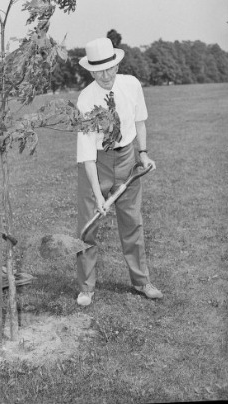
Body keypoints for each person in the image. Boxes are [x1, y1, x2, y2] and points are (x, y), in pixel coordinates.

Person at [74, 37, 162, 307]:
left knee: (132, 221)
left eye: (109, 67)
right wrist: (97, 194)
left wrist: (143, 153)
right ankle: (86, 288)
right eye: (98, 70)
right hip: (96, 162)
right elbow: (87, 150)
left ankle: (141, 281)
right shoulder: (86, 98)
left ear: (116, 63)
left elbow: (140, 121)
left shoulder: (131, 84)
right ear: (90, 70)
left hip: (126, 157)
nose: (105, 75)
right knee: (88, 226)